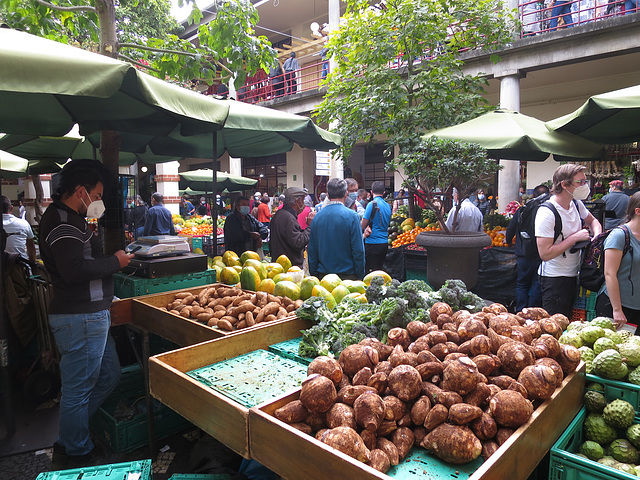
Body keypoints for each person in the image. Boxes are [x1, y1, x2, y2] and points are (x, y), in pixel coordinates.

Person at [38, 163, 133, 468]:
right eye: (97, 194)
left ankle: (72, 434)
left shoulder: (72, 219)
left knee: (109, 375)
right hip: (80, 318)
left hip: (91, 315)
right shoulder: (63, 222)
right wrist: (115, 262)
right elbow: (74, 269)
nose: (99, 201)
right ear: (81, 192)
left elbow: (80, 259)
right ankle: (76, 451)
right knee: (78, 389)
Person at [535, 164, 602, 317]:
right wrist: (575, 238)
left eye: (585, 182)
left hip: (575, 274)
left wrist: (597, 238)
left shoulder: (576, 204)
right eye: (580, 182)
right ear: (564, 185)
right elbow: (544, 253)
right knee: (555, 324)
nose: (585, 186)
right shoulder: (547, 212)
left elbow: (593, 221)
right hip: (554, 279)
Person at [597, 192, 640, 330]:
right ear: (638, 211)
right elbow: (609, 274)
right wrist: (617, 309)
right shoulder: (619, 235)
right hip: (617, 307)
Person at [308, 178, 365, 280]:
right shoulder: (352, 216)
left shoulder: (317, 218)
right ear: (346, 194)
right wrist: (360, 275)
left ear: (328, 195)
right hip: (348, 277)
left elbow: (312, 251)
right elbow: (358, 250)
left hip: (324, 277)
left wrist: (315, 276)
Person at [505, 185, 550, 312]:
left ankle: (521, 311)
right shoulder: (547, 211)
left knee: (522, 284)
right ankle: (532, 312)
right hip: (540, 253)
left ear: (534, 196)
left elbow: (511, 229)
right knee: (537, 284)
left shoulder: (523, 210)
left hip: (523, 254)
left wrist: (508, 241)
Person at [269, 187, 315, 268]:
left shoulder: (280, 214)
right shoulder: (288, 218)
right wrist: (310, 226)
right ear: (297, 201)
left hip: (280, 264)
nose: (304, 204)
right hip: (289, 267)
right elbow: (298, 242)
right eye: (303, 200)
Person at [361, 181, 391, 274]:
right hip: (384, 243)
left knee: (370, 274)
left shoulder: (372, 204)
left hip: (372, 243)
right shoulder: (388, 206)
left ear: (371, 191)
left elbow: (362, 225)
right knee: (380, 272)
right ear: (384, 192)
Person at [2, 195, 36, 262]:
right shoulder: (24, 224)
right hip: (20, 266)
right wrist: (32, 263)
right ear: (11, 208)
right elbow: (31, 246)